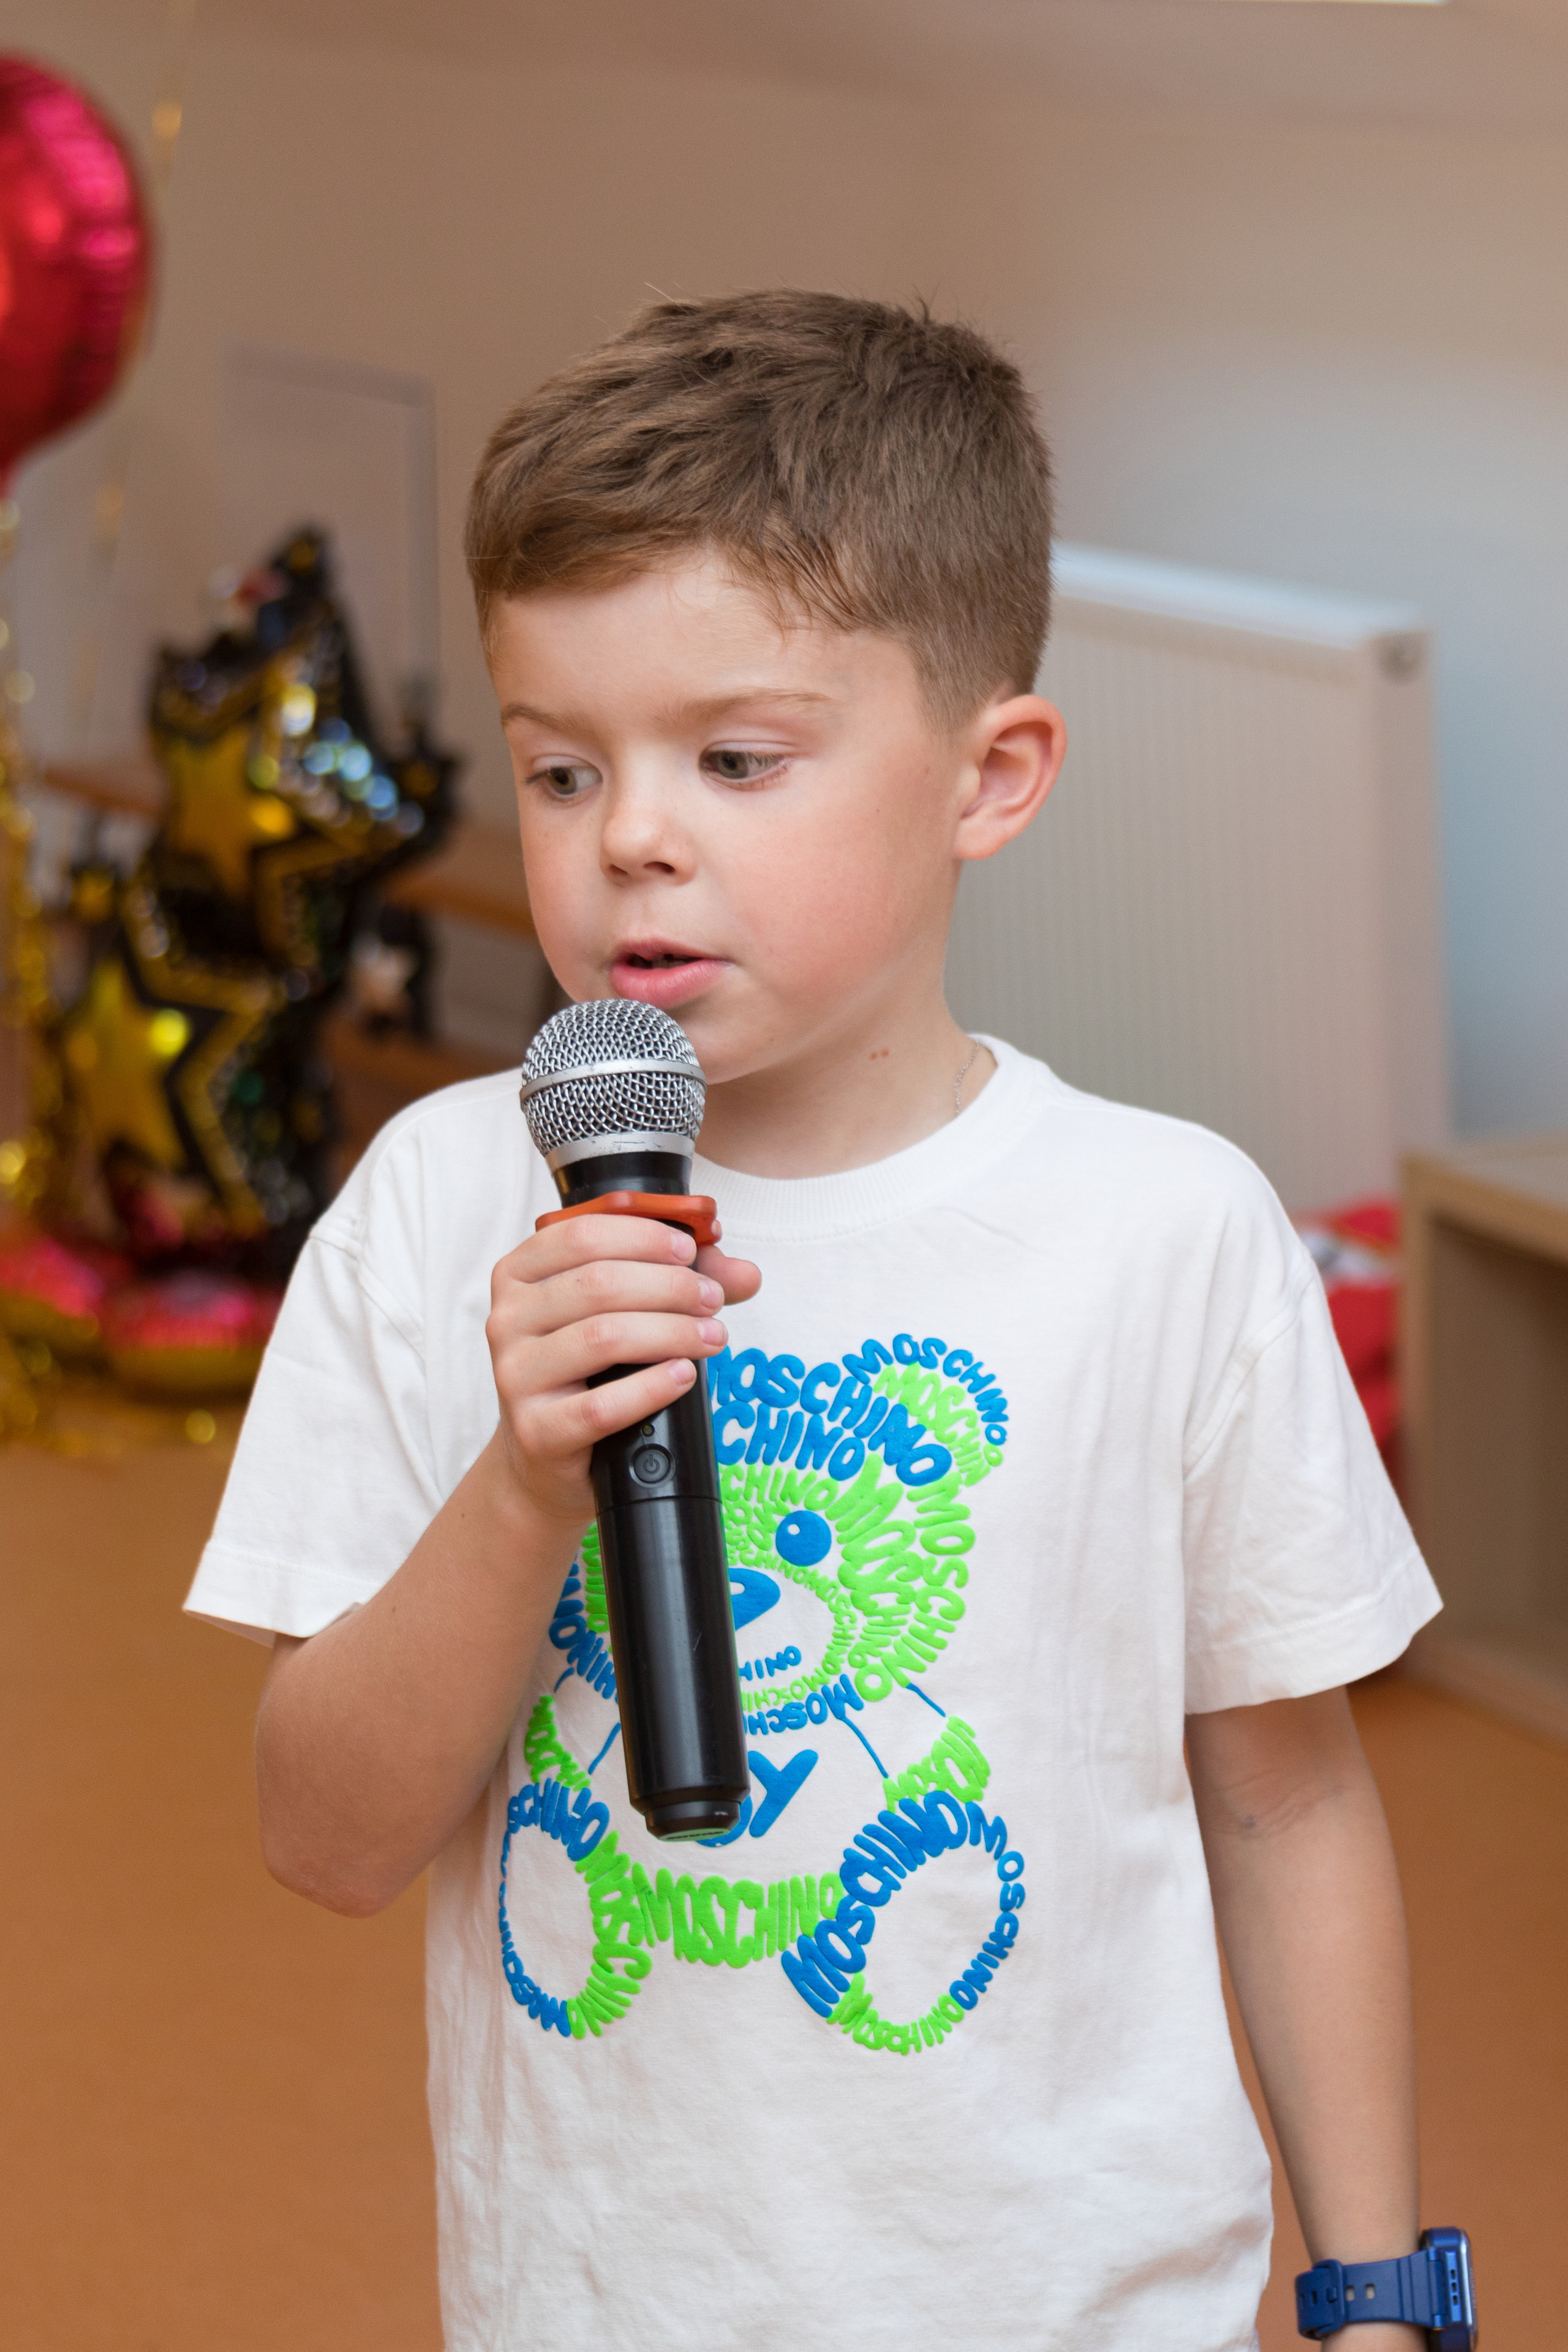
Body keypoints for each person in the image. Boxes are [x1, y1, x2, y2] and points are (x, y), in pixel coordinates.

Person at [187, 292, 1441, 2350]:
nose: (632, 836)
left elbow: (1287, 1798)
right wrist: (523, 1487)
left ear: (991, 776)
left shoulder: (1167, 1234)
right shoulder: (434, 1207)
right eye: (562, 767)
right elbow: (324, 1839)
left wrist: (1381, 2288)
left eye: (737, 759)